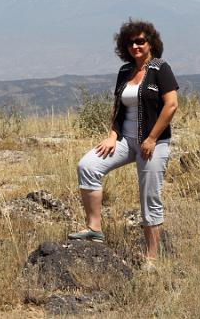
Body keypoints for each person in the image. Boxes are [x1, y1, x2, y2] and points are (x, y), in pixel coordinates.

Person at [69, 19, 179, 268]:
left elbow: (171, 105)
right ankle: (94, 229)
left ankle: (151, 258)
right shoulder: (125, 71)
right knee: (88, 166)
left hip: (153, 143)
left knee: (149, 196)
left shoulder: (160, 68)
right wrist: (112, 135)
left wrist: (152, 138)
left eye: (140, 41)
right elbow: (118, 107)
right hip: (125, 141)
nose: (135, 46)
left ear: (151, 43)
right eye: (130, 43)